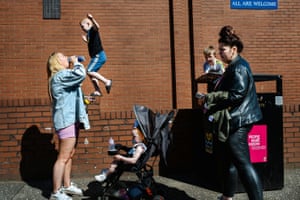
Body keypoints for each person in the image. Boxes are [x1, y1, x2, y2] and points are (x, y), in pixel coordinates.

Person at [198, 25, 263, 200]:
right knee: (229, 161)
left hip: (239, 121)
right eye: (218, 50)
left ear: (233, 49)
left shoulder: (239, 67)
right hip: (235, 119)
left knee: (243, 164)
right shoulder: (233, 66)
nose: (220, 53)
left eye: (222, 50)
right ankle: (227, 196)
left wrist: (212, 97)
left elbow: (237, 94)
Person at [47, 52, 90, 200]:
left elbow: (72, 93)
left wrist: (84, 99)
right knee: (63, 157)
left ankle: (66, 185)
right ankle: (56, 191)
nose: (67, 57)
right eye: (63, 56)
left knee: (69, 155)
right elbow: (80, 74)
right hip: (66, 121)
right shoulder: (60, 75)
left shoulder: (63, 76)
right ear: (57, 61)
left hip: (71, 119)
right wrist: (76, 62)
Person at [80, 13, 112, 96]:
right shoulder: (89, 35)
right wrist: (86, 41)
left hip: (99, 55)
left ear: (88, 24)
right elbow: (93, 43)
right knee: (91, 73)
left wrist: (92, 19)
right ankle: (97, 90)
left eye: (83, 26)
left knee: (89, 71)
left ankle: (107, 81)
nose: (82, 29)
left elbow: (98, 27)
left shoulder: (92, 30)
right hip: (95, 57)